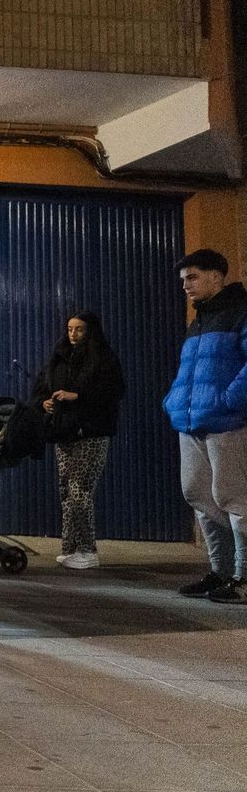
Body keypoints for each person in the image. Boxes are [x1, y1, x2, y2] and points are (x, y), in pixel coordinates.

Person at [163, 248, 247, 604]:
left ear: (217, 276)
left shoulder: (241, 312)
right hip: (192, 422)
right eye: (184, 279)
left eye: (193, 277)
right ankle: (220, 572)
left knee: (234, 498)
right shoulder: (199, 321)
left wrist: (228, 401)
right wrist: (172, 401)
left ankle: (243, 578)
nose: (186, 285)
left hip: (227, 422)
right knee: (197, 493)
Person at [32, 310, 124, 571]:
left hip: (91, 433)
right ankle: (70, 548)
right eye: (70, 329)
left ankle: (88, 550)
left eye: (79, 329)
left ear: (90, 331)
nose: (73, 334)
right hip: (64, 432)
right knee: (66, 490)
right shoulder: (60, 357)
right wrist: (44, 402)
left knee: (80, 491)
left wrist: (78, 396)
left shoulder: (103, 359)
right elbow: (41, 387)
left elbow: (113, 392)